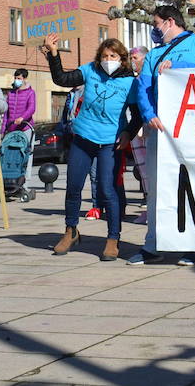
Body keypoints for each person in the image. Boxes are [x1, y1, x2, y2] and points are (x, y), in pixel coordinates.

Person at [129, 4, 195, 267]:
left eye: (156, 24)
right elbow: (143, 87)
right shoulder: (153, 55)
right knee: (157, 189)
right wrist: (148, 114)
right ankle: (153, 244)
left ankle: (193, 245)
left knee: (192, 185)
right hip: (161, 128)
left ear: (170, 22)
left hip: (192, 127)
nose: (154, 30)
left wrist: (179, 64)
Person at [46, 35, 139, 261]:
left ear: (122, 59)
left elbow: (137, 115)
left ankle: (112, 239)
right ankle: (71, 231)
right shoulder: (90, 71)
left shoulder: (131, 82)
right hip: (83, 137)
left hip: (110, 142)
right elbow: (61, 79)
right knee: (73, 186)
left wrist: (129, 133)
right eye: (104, 56)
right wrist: (53, 53)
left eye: (113, 56)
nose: (108, 60)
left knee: (107, 190)